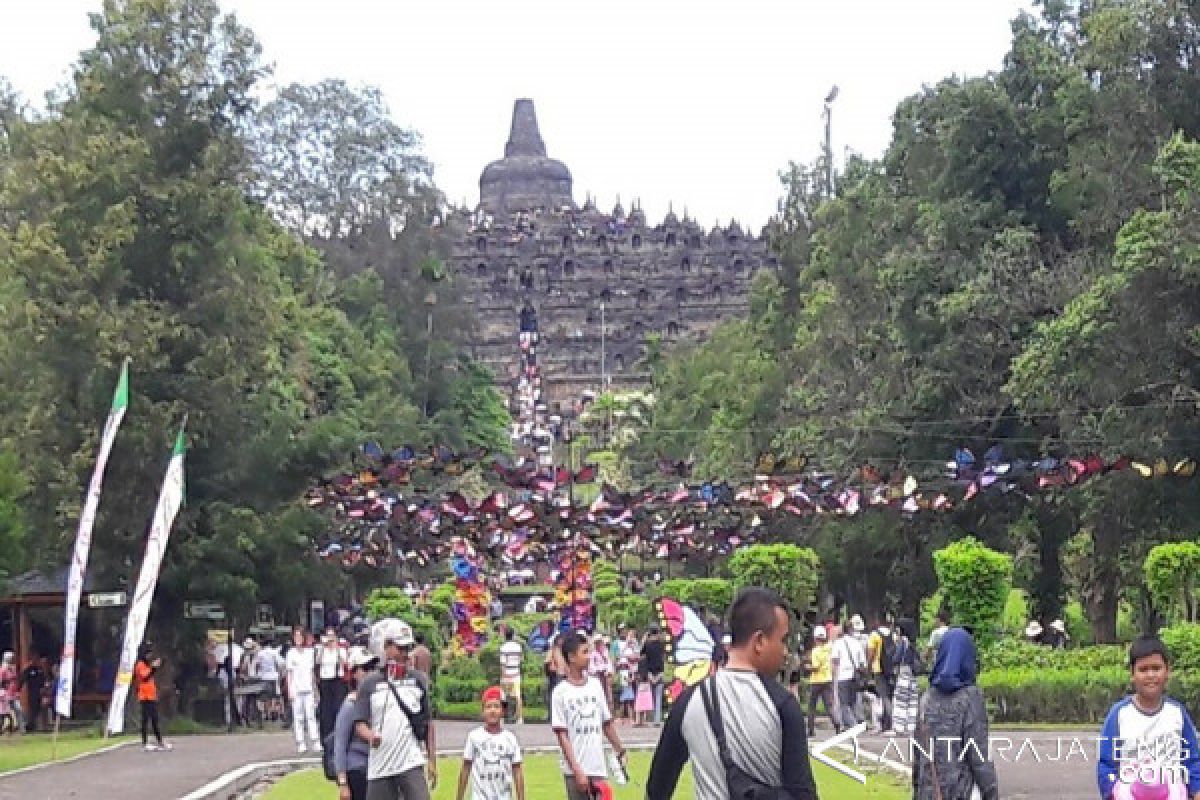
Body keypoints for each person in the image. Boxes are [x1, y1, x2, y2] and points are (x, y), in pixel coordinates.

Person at [645, 587, 818, 800]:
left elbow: (657, 789)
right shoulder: (782, 704)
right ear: (759, 641)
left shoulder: (689, 702)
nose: (785, 651)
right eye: (782, 640)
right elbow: (803, 794)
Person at [1098, 635, 1200, 800]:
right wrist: (1111, 791)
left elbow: (1192, 760)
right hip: (1129, 793)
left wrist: (1196, 790)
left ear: (1167, 671)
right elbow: (1106, 763)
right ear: (1132, 674)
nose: (1150, 675)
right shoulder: (1119, 714)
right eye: (1143, 669)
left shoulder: (1177, 713)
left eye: (1156, 668)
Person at [354, 618, 438, 800]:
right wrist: (370, 736)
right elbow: (359, 723)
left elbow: (428, 722)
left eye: (408, 649)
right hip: (380, 765)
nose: (405, 654)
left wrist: (432, 759)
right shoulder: (369, 683)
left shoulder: (418, 680)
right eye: (400, 649)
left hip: (411, 762)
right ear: (386, 647)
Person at [911, 627, 999, 800]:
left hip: (928, 791)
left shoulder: (926, 699)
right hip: (960, 791)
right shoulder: (970, 698)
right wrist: (991, 792)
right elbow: (978, 755)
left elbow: (918, 754)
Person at [551, 631, 627, 800]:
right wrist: (576, 769)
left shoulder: (594, 685)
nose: (589, 656)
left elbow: (606, 723)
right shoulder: (560, 692)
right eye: (584, 652)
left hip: (598, 767)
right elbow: (562, 736)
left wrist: (620, 749)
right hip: (575, 770)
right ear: (571, 657)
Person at [456, 686, 525, 800]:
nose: (492, 710)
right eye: (488, 707)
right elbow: (466, 768)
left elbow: (517, 770)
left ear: (503, 711)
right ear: (483, 711)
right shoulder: (474, 736)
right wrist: (459, 797)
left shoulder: (510, 738)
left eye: (497, 706)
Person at [334, 646, 377, 800]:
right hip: (357, 768)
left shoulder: (377, 700)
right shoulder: (350, 705)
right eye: (365, 668)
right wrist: (343, 784)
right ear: (354, 673)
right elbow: (340, 744)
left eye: (372, 667)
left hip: (376, 768)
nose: (370, 672)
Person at [286, 625, 322, 753]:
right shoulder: (290, 653)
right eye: (296, 637)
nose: (298, 639)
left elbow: (312, 672)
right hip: (296, 689)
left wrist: (315, 689)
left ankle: (315, 741)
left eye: (300, 636)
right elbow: (289, 674)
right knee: (298, 717)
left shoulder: (309, 653)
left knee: (311, 716)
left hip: (308, 689)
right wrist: (290, 690)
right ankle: (300, 742)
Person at [135, 643, 171, 751]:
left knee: (155, 719)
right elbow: (145, 677)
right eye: (148, 654)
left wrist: (156, 666)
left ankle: (159, 741)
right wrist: (154, 668)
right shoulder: (140, 665)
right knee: (145, 719)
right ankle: (145, 742)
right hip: (145, 696)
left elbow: (150, 674)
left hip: (151, 696)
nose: (149, 656)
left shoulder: (147, 665)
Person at [832, 620, 867, 731]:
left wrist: (833, 676)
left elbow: (835, 660)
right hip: (854, 676)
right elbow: (863, 663)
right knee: (853, 702)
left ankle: (853, 725)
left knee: (844, 703)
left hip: (843, 675)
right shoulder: (857, 643)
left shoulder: (838, 643)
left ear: (843, 629)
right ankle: (851, 724)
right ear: (852, 629)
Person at [891, 618, 922, 737]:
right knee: (912, 701)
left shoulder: (902, 641)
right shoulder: (912, 642)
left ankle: (899, 728)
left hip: (904, 673)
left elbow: (896, 658)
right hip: (913, 675)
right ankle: (910, 727)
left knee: (900, 701)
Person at [805, 626, 838, 735]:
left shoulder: (815, 651)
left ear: (815, 638)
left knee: (812, 706)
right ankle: (837, 723)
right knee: (829, 705)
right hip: (827, 679)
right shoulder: (830, 648)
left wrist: (807, 667)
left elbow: (816, 667)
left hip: (816, 681)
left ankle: (810, 730)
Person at [318, 629, 349, 740]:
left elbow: (345, 662)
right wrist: (323, 646)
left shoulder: (341, 650)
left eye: (332, 636)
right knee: (326, 710)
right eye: (328, 636)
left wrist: (336, 647)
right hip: (325, 680)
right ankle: (326, 735)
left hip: (337, 681)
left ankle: (339, 733)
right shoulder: (321, 650)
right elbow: (318, 661)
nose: (330, 638)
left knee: (338, 707)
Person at [639, 627, 666, 725]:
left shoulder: (647, 644)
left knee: (653, 697)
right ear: (658, 633)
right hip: (660, 672)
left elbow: (641, 654)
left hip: (650, 672)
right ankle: (657, 720)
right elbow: (663, 658)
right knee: (658, 697)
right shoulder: (661, 644)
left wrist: (645, 639)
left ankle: (651, 718)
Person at [498, 629, 524, 724]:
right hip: (516, 673)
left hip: (507, 674)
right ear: (513, 636)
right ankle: (520, 718)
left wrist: (503, 675)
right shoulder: (518, 647)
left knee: (503, 696)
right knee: (518, 696)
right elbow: (521, 660)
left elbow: (503, 663)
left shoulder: (503, 647)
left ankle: (502, 718)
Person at [0, 651, 18, 735]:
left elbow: (14, 679)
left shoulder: (12, 668)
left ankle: (9, 727)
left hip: (10, 692)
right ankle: (7, 727)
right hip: (4, 691)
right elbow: (1, 681)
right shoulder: (3, 669)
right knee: (5, 711)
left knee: (7, 711)